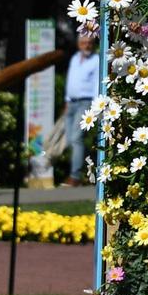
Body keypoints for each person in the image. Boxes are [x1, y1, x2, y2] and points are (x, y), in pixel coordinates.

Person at [63, 32, 101, 186]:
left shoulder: (96, 60)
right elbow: (70, 80)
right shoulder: (74, 59)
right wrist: (66, 100)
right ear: (79, 44)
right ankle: (85, 168)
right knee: (69, 139)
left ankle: (75, 176)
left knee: (76, 138)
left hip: (85, 104)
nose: (87, 45)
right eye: (84, 42)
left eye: (90, 42)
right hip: (71, 103)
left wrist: (94, 105)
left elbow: (96, 83)